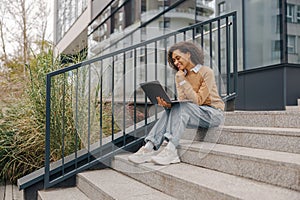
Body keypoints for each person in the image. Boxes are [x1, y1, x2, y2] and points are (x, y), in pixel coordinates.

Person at [128, 41, 224, 165]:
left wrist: (183, 81)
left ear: (188, 54)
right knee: (172, 108)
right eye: (173, 60)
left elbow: (198, 101)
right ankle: (148, 147)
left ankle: (171, 149)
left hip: (213, 114)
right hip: (194, 113)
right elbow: (183, 101)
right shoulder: (180, 76)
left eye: (178, 58)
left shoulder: (206, 72)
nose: (176, 62)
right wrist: (168, 105)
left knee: (183, 106)